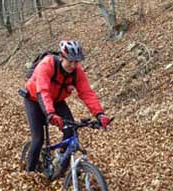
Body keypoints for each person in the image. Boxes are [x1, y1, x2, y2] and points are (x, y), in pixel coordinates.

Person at [24, 40, 111, 172]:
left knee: (70, 131)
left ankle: (59, 161)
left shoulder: (77, 71)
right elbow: (43, 91)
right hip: (34, 99)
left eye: (76, 61)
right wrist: (50, 113)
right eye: (70, 61)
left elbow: (87, 93)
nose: (73, 65)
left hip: (57, 101)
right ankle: (29, 173)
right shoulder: (47, 64)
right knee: (38, 139)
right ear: (61, 57)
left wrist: (100, 114)